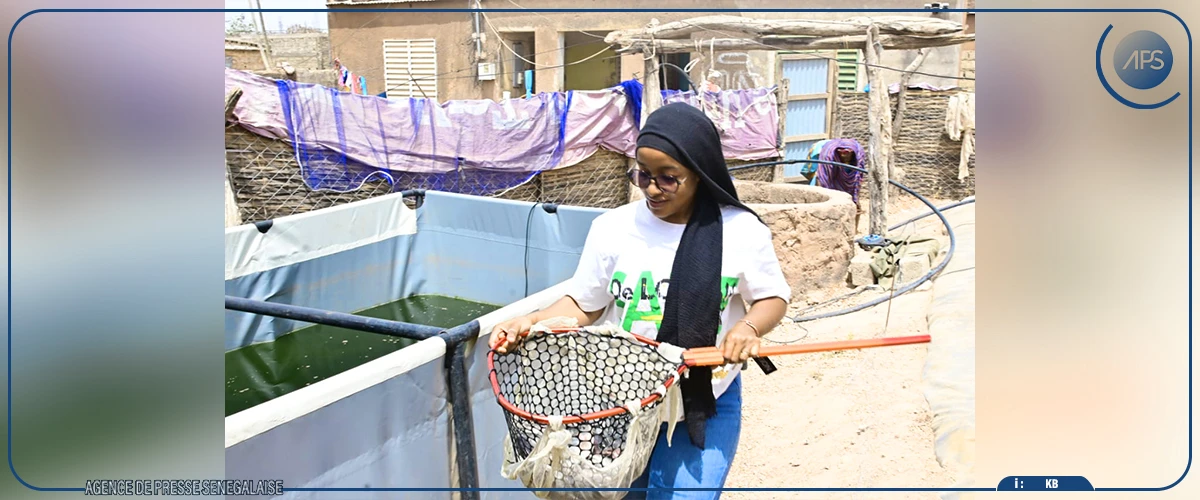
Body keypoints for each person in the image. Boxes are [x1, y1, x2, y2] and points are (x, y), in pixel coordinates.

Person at [490, 102, 791, 499]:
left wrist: (748, 327)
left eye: (668, 178)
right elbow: (584, 304)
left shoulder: (739, 232)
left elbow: (772, 297)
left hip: (703, 397)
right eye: (643, 174)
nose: (651, 188)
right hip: (625, 404)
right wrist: (532, 321)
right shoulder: (613, 229)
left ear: (699, 174)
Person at [814, 138, 867, 232]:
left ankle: (853, 230)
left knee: (855, 203)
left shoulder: (858, 156)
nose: (843, 155)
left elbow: (858, 178)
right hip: (833, 176)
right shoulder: (829, 156)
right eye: (841, 152)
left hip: (850, 176)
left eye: (846, 153)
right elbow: (824, 179)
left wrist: (856, 197)